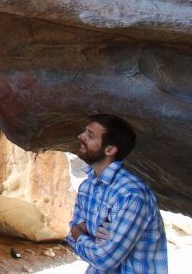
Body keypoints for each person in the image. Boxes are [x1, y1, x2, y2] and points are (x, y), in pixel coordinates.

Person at [67, 114, 168, 273]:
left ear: (110, 150)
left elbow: (104, 260)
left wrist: (80, 234)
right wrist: (86, 237)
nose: (81, 136)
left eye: (90, 135)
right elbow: (71, 236)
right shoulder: (87, 187)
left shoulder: (131, 194)